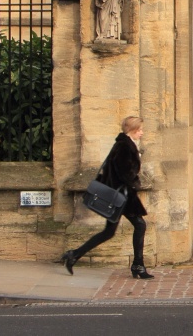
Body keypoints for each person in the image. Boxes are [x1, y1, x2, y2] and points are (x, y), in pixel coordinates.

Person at [61, 116, 153, 279]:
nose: (142, 133)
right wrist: (134, 181)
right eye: (139, 130)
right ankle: (138, 265)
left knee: (111, 231)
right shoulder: (124, 146)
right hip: (121, 196)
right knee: (139, 225)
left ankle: (73, 255)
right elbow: (123, 171)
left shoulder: (126, 144)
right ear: (132, 130)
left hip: (121, 195)